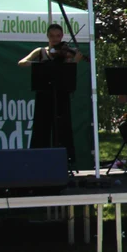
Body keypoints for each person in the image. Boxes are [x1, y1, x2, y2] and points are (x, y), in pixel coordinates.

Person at [18, 23, 83, 162]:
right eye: (52, 36)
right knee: (41, 128)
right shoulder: (40, 51)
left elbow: (68, 73)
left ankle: (66, 160)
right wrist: (39, 65)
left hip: (61, 95)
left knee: (62, 128)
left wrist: (74, 61)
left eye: (58, 36)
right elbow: (22, 62)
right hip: (44, 94)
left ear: (62, 36)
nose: (55, 39)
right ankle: (38, 160)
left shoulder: (66, 52)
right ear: (48, 36)